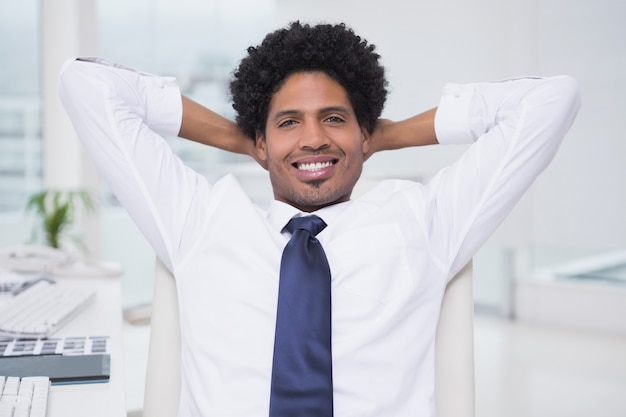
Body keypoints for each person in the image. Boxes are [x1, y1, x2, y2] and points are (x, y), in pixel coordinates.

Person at [59, 21, 580, 417]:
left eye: (335, 119)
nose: (313, 138)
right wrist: (237, 137)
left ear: (364, 135)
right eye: (289, 123)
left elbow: (551, 99)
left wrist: (389, 135)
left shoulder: (423, 220)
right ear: (260, 142)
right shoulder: (199, 218)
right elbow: (86, 84)